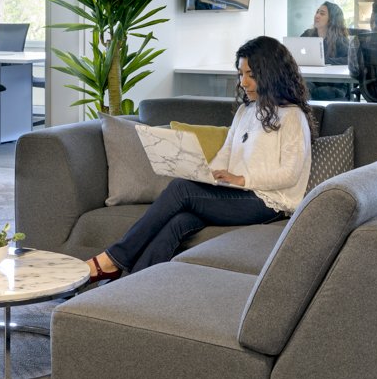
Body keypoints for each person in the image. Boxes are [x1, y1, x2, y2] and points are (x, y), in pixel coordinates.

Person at [86, 36, 313, 280]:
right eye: (240, 74)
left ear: (270, 74)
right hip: (237, 194)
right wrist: (208, 174)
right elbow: (227, 151)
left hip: (269, 203)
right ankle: (128, 285)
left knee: (181, 190)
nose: (243, 82)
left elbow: (290, 173)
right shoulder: (246, 110)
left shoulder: (292, 116)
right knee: (180, 221)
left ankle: (113, 259)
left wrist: (241, 180)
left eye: (251, 74)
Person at [300, 1, 352, 100]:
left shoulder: (340, 39)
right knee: (301, 88)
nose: (317, 16)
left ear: (332, 19)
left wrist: (324, 60)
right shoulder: (308, 34)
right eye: (317, 12)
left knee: (317, 92)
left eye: (322, 13)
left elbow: (349, 59)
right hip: (311, 80)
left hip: (334, 84)